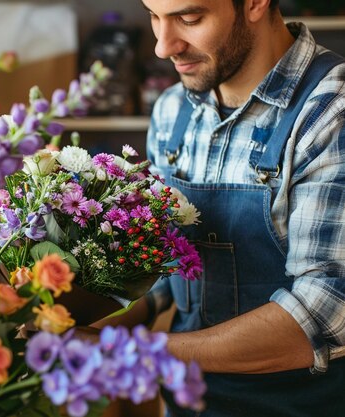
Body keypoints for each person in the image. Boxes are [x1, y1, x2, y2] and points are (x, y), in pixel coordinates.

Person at [90, 0, 345, 416]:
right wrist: (88, 329)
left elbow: (323, 311)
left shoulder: (330, 111)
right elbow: (161, 273)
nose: (162, 46)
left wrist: (138, 353)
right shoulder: (172, 110)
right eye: (154, 16)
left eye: (189, 19)